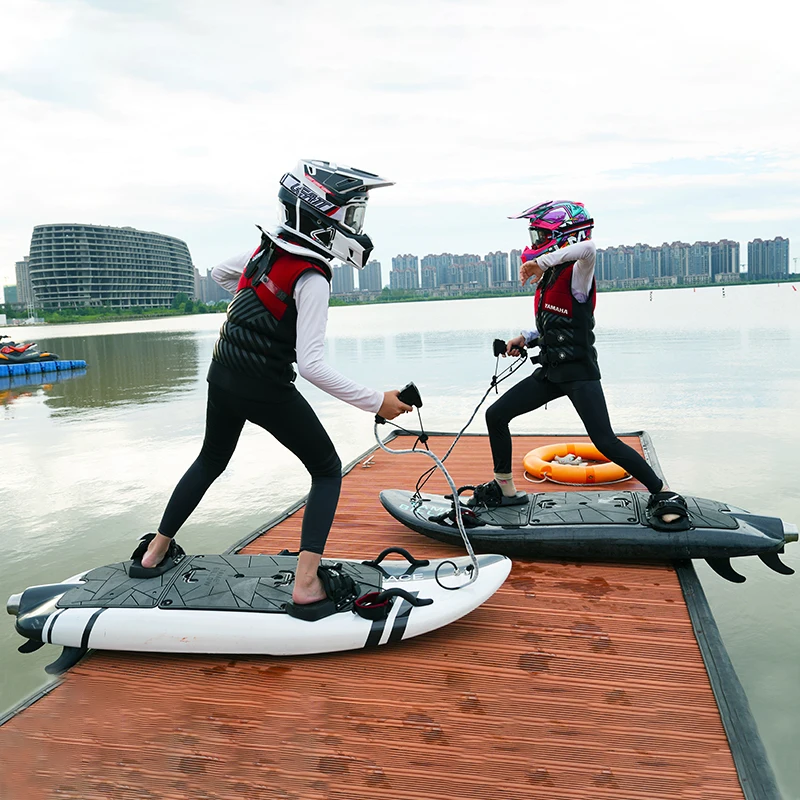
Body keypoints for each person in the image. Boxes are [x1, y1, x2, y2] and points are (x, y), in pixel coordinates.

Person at [131, 159, 412, 617]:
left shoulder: (264, 253)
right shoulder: (312, 277)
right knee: (326, 470)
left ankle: (153, 554)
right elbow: (314, 366)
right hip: (264, 385)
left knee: (210, 459)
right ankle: (306, 585)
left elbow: (225, 276)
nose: (356, 226)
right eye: (352, 215)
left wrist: (259, 308)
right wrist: (376, 401)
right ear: (324, 214)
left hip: (222, 375)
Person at [471, 200, 688, 527]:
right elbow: (556, 322)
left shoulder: (578, 272)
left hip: (579, 374)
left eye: (539, 235)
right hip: (550, 373)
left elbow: (589, 248)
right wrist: (525, 338)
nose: (533, 243)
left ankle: (664, 492)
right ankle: (505, 489)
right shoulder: (551, 277)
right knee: (496, 414)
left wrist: (540, 261)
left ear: (560, 236)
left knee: (604, 441)